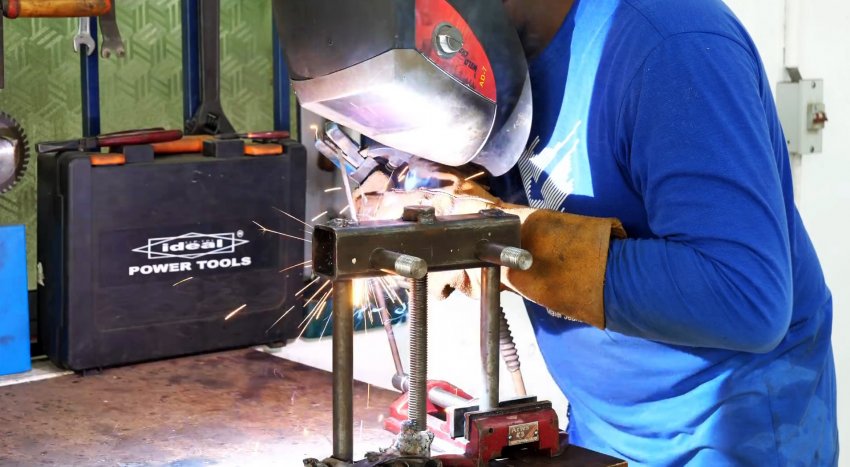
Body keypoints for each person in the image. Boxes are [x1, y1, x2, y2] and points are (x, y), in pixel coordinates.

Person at [357, 0, 838, 465]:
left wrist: (507, 239)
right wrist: (406, 175)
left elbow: (744, 296)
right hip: (598, 433)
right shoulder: (497, 48)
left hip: (725, 442)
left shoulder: (672, 44)